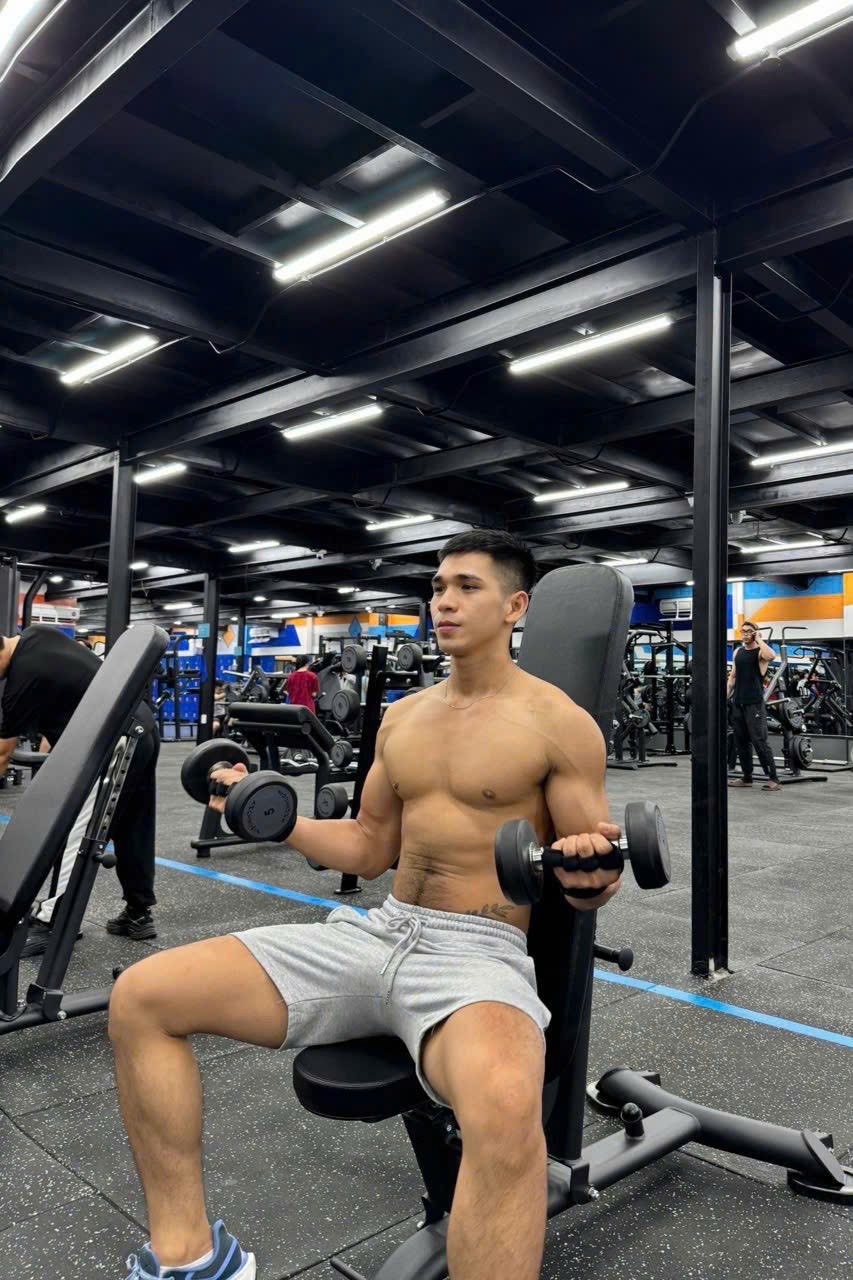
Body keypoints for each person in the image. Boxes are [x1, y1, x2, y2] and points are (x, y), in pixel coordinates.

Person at [108, 529, 622, 1280]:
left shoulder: (559, 723)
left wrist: (590, 873)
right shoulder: (404, 717)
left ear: (515, 606)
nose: (444, 602)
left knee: (508, 1107)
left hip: (475, 952)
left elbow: (591, 868)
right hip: (380, 933)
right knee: (141, 997)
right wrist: (276, 820)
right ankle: (190, 1257)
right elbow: (370, 845)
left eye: (467, 587)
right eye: (438, 587)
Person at [0, 623, 161, 955]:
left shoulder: (22, 679)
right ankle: (138, 912)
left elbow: (2, 754)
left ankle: (55, 921)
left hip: (114, 740)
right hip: (140, 726)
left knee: (77, 828)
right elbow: (67, 705)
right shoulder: (38, 635)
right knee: (134, 823)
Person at [727, 619, 781, 791]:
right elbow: (733, 677)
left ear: (755, 633)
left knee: (759, 741)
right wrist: (725, 697)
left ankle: (773, 779)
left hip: (754, 703)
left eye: (749, 631)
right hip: (738, 702)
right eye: (743, 631)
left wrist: (759, 639)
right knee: (741, 741)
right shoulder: (738, 652)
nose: (745, 634)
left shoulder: (760, 653)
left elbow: (772, 656)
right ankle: (747, 777)